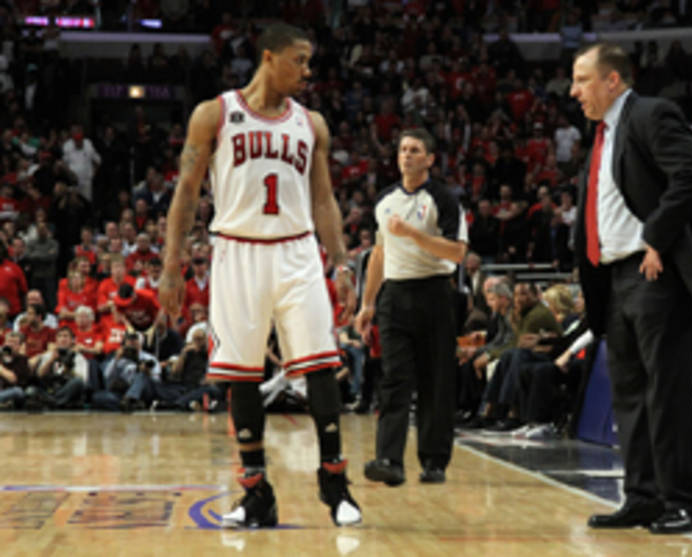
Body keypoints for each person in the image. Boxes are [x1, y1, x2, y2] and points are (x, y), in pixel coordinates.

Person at [158, 22, 360, 529]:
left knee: (321, 365)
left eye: (310, 61)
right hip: (237, 250)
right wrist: (171, 266)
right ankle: (256, 494)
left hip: (297, 250)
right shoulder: (214, 114)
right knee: (242, 374)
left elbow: (323, 199)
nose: (307, 72)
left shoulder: (311, 123)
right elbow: (186, 192)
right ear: (268, 57)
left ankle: (335, 483)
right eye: (299, 60)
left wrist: (340, 261)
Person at [571, 43, 692, 534]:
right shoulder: (600, 136)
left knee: (666, 393)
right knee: (629, 396)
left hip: (655, 273)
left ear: (612, 80)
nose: (574, 91)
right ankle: (643, 497)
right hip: (615, 279)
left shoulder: (651, 114)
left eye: (582, 79)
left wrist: (658, 236)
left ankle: (685, 503)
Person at [354, 127, 468, 486]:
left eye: (415, 150)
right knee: (394, 378)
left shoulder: (444, 199)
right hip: (394, 296)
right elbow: (379, 253)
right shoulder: (385, 200)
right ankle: (389, 459)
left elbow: (457, 252)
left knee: (436, 380)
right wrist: (367, 303)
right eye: (403, 149)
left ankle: (434, 462)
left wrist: (414, 234)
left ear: (430, 159)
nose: (406, 155)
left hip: (435, 292)